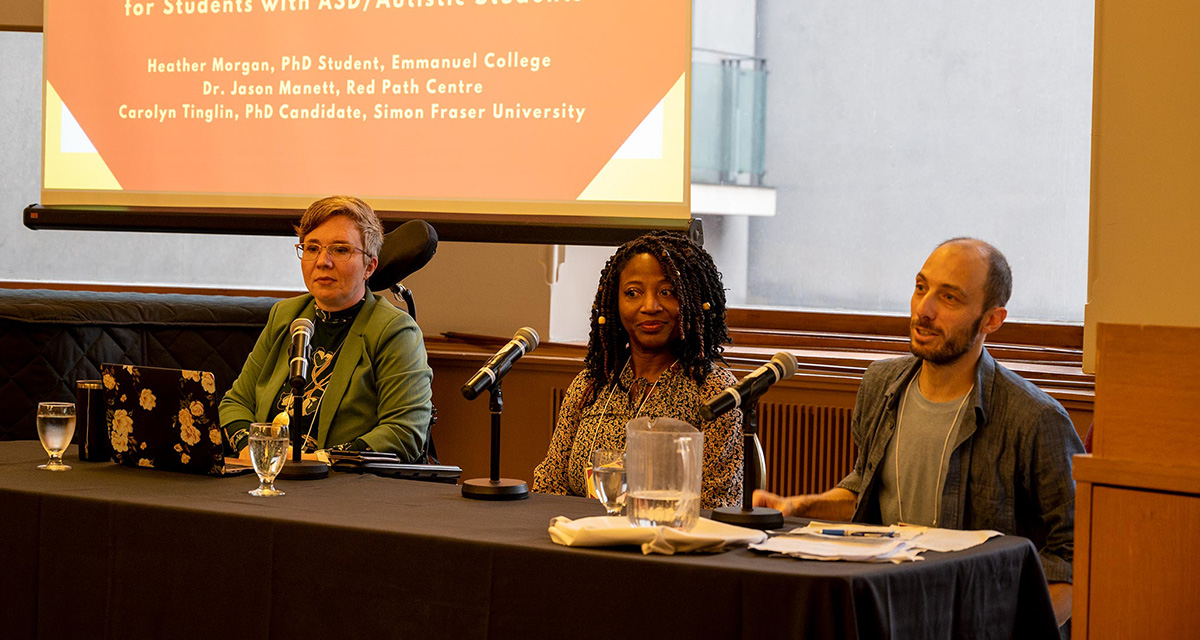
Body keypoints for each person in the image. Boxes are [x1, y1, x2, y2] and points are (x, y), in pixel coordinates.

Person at [754, 238, 1083, 628]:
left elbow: (1080, 555)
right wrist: (798, 508)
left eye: (949, 298)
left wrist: (1014, 629)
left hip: (971, 620)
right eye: (921, 287)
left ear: (992, 320)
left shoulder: (1035, 418)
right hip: (892, 608)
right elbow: (866, 489)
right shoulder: (881, 384)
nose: (923, 310)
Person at [532, 231, 743, 509]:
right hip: (584, 542)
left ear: (692, 300)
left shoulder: (715, 392)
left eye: (667, 292)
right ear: (614, 302)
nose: (650, 306)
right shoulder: (591, 385)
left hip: (670, 545)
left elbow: (718, 504)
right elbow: (549, 485)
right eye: (633, 293)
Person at [219, 196, 433, 461]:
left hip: (343, 490)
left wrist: (316, 460)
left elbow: (404, 433)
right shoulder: (285, 316)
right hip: (266, 477)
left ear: (370, 266)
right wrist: (252, 452)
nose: (322, 261)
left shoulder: (394, 331)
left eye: (340, 250)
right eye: (311, 248)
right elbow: (234, 404)